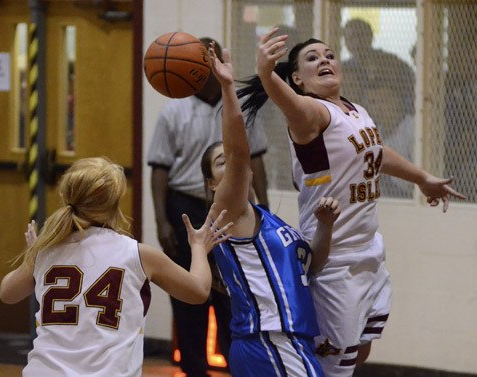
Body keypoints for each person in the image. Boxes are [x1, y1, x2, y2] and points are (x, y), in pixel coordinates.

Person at [237, 28, 466, 377]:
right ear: (297, 78)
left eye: (329, 54)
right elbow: (288, 102)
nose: (324, 60)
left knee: (361, 349)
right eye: (312, 58)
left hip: (370, 250)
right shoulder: (310, 114)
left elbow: (376, 152)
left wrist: (422, 178)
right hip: (334, 259)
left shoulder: (355, 110)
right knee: (334, 366)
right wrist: (267, 75)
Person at [0, 157, 232, 377]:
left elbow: (7, 294)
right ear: (114, 203)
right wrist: (199, 248)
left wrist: (33, 255)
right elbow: (199, 292)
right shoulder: (136, 254)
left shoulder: (46, 251)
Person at [201, 42, 341, 377]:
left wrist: (325, 226)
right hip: (269, 341)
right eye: (221, 163)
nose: (234, 164)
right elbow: (238, 150)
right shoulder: (228, 214)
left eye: (232, 161)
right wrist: (227, 88)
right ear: (212, 185)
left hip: (288, 342)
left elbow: (313, 265)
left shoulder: (265, 218)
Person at [146, 37, 269, 377]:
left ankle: (237, 367)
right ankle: (193, 369)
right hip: (185, 207)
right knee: (188, 295)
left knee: (233, 293)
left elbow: (255, 161)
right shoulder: (173, 110)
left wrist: (265, 210)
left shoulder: (239, 107)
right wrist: (161, 221)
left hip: (231, 209)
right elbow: (159, 170)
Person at [342, 19, 417, 199]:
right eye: (350, 37)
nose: (356, 42)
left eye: (360, 36)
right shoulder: (343, 70)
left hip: (395, 128)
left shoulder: (392, 64)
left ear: (370, 37)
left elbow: (412, 95)